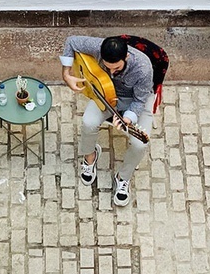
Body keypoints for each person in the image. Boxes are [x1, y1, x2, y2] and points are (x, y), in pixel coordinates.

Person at [60, 35, 155, 207]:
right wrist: (66, 74)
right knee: (88, 122)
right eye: (107, 68)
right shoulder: (97, 46)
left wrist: (128, 118)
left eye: (116, 68)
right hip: (105, 94)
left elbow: (140, 101)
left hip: (134, 99)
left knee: (140, 144)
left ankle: (123, 178)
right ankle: (90, 156)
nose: (111, 72)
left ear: (125, 57)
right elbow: (71, 41)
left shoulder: (143, 67)